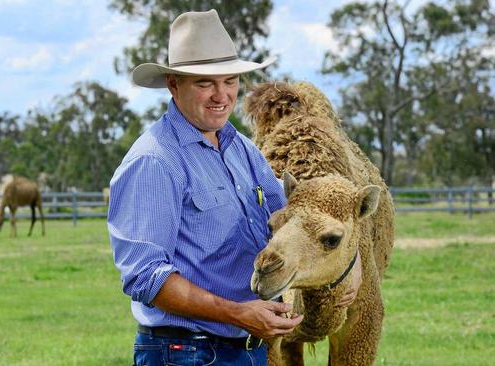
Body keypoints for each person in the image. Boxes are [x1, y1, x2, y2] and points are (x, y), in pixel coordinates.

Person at [107, 9, 360, 366]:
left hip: (249, 350)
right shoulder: (155, 162)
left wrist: (345, 269)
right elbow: (146, 277)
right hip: (186, 353)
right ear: (173, 84)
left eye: (229, 81)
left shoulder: (241, 150)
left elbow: (295, 218)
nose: (221, 95)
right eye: (205, 83)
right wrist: (239, 313)